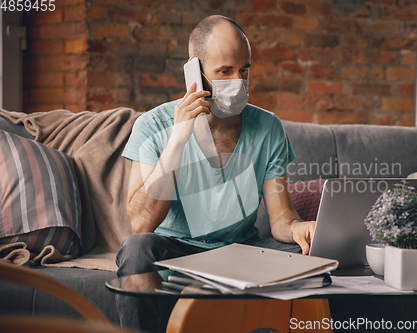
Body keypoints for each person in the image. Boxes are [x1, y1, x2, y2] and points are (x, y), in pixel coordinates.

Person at [115, 15, 316, 332]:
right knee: (136, 248)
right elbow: (142, 223)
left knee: (305, 257)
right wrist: (178, 138)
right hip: (176, 251)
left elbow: (280, 217)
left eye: (244, 69)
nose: (238, 81)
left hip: (241, 250)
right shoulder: (152, 126)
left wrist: (298, 230)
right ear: (195, 72)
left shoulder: (269, 127)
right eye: (225, 71)